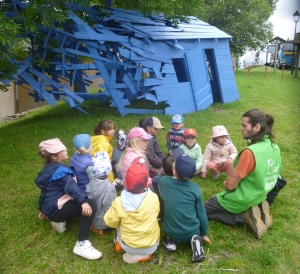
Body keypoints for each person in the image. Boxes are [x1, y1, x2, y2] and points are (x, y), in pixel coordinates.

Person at [204, 109, 282, 239]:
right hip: (260, 196)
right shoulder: (274, 147)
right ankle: (255, 213)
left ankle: (243, 218)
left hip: (240, 199)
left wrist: (226, 183)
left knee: (200, 211)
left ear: (257, 127)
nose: (241, 129)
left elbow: (230, 186)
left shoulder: (249, 153)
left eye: (244, 125)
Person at [35, 138, 102, 260]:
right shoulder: (62, 171)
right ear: (55, 156)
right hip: (57, 209)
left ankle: (58, 220)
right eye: (63, 150)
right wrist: (83, 202)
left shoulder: (48, 168)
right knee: (91, 204)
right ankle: (82, 243)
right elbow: (72, 188)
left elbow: (46, 192)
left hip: (51, 207)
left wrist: (44, 210)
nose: (66, 150)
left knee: (78, 200)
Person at [103, 157, 160, 264]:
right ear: (146, 182)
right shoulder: (153, 197)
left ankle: (119, 242)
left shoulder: (119, 201)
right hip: (152, 245)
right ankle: (145, 253)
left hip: (128, 246)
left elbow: (109, 222)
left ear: (125, 182)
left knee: (117, 219)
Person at [159, 148, 211, 263]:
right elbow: (201, 213)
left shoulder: (163, 182)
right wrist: (203, 233)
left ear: (174, 171)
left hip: (171, 230)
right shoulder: (195, 189)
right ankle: (195, 240)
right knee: (194, 232)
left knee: (169, 227)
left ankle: (171, 241)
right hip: (191, 230)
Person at [86, 151, 117, 235]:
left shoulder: (91, 181)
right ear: (109, 169)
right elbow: (110, 208)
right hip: (103, 223)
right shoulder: (109, 188)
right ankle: (101, 229)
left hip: (93, 219)